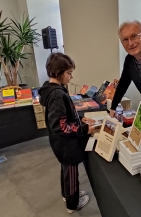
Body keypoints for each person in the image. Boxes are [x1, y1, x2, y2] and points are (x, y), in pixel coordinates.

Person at [39, 52, 95, 214]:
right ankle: (72, 204)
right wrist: (84, 129)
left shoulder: (52, 90)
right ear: (58, 72)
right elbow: (60, 126)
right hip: (66, 145)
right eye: (69, 73)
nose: (71, 77)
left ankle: (67, 195)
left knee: (66, 170)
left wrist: (80, 120)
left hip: (61, 144)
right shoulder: (57, 94)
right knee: (71, 173)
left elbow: (64, 117)